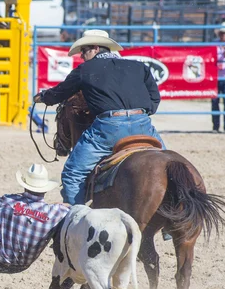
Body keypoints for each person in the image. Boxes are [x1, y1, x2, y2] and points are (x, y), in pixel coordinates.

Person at [34, 29, 165, 206]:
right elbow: (154, 100)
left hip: (109, 128)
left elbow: (59, 93)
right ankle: (169, 227)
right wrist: (137, 113)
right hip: (143, 125)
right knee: (168, 166)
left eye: (84, 50)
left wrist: (42, 97)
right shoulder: (139, 67)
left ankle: (77, 218)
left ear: (95, 48)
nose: (81, 56)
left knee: (72, 174)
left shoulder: (85, 70)